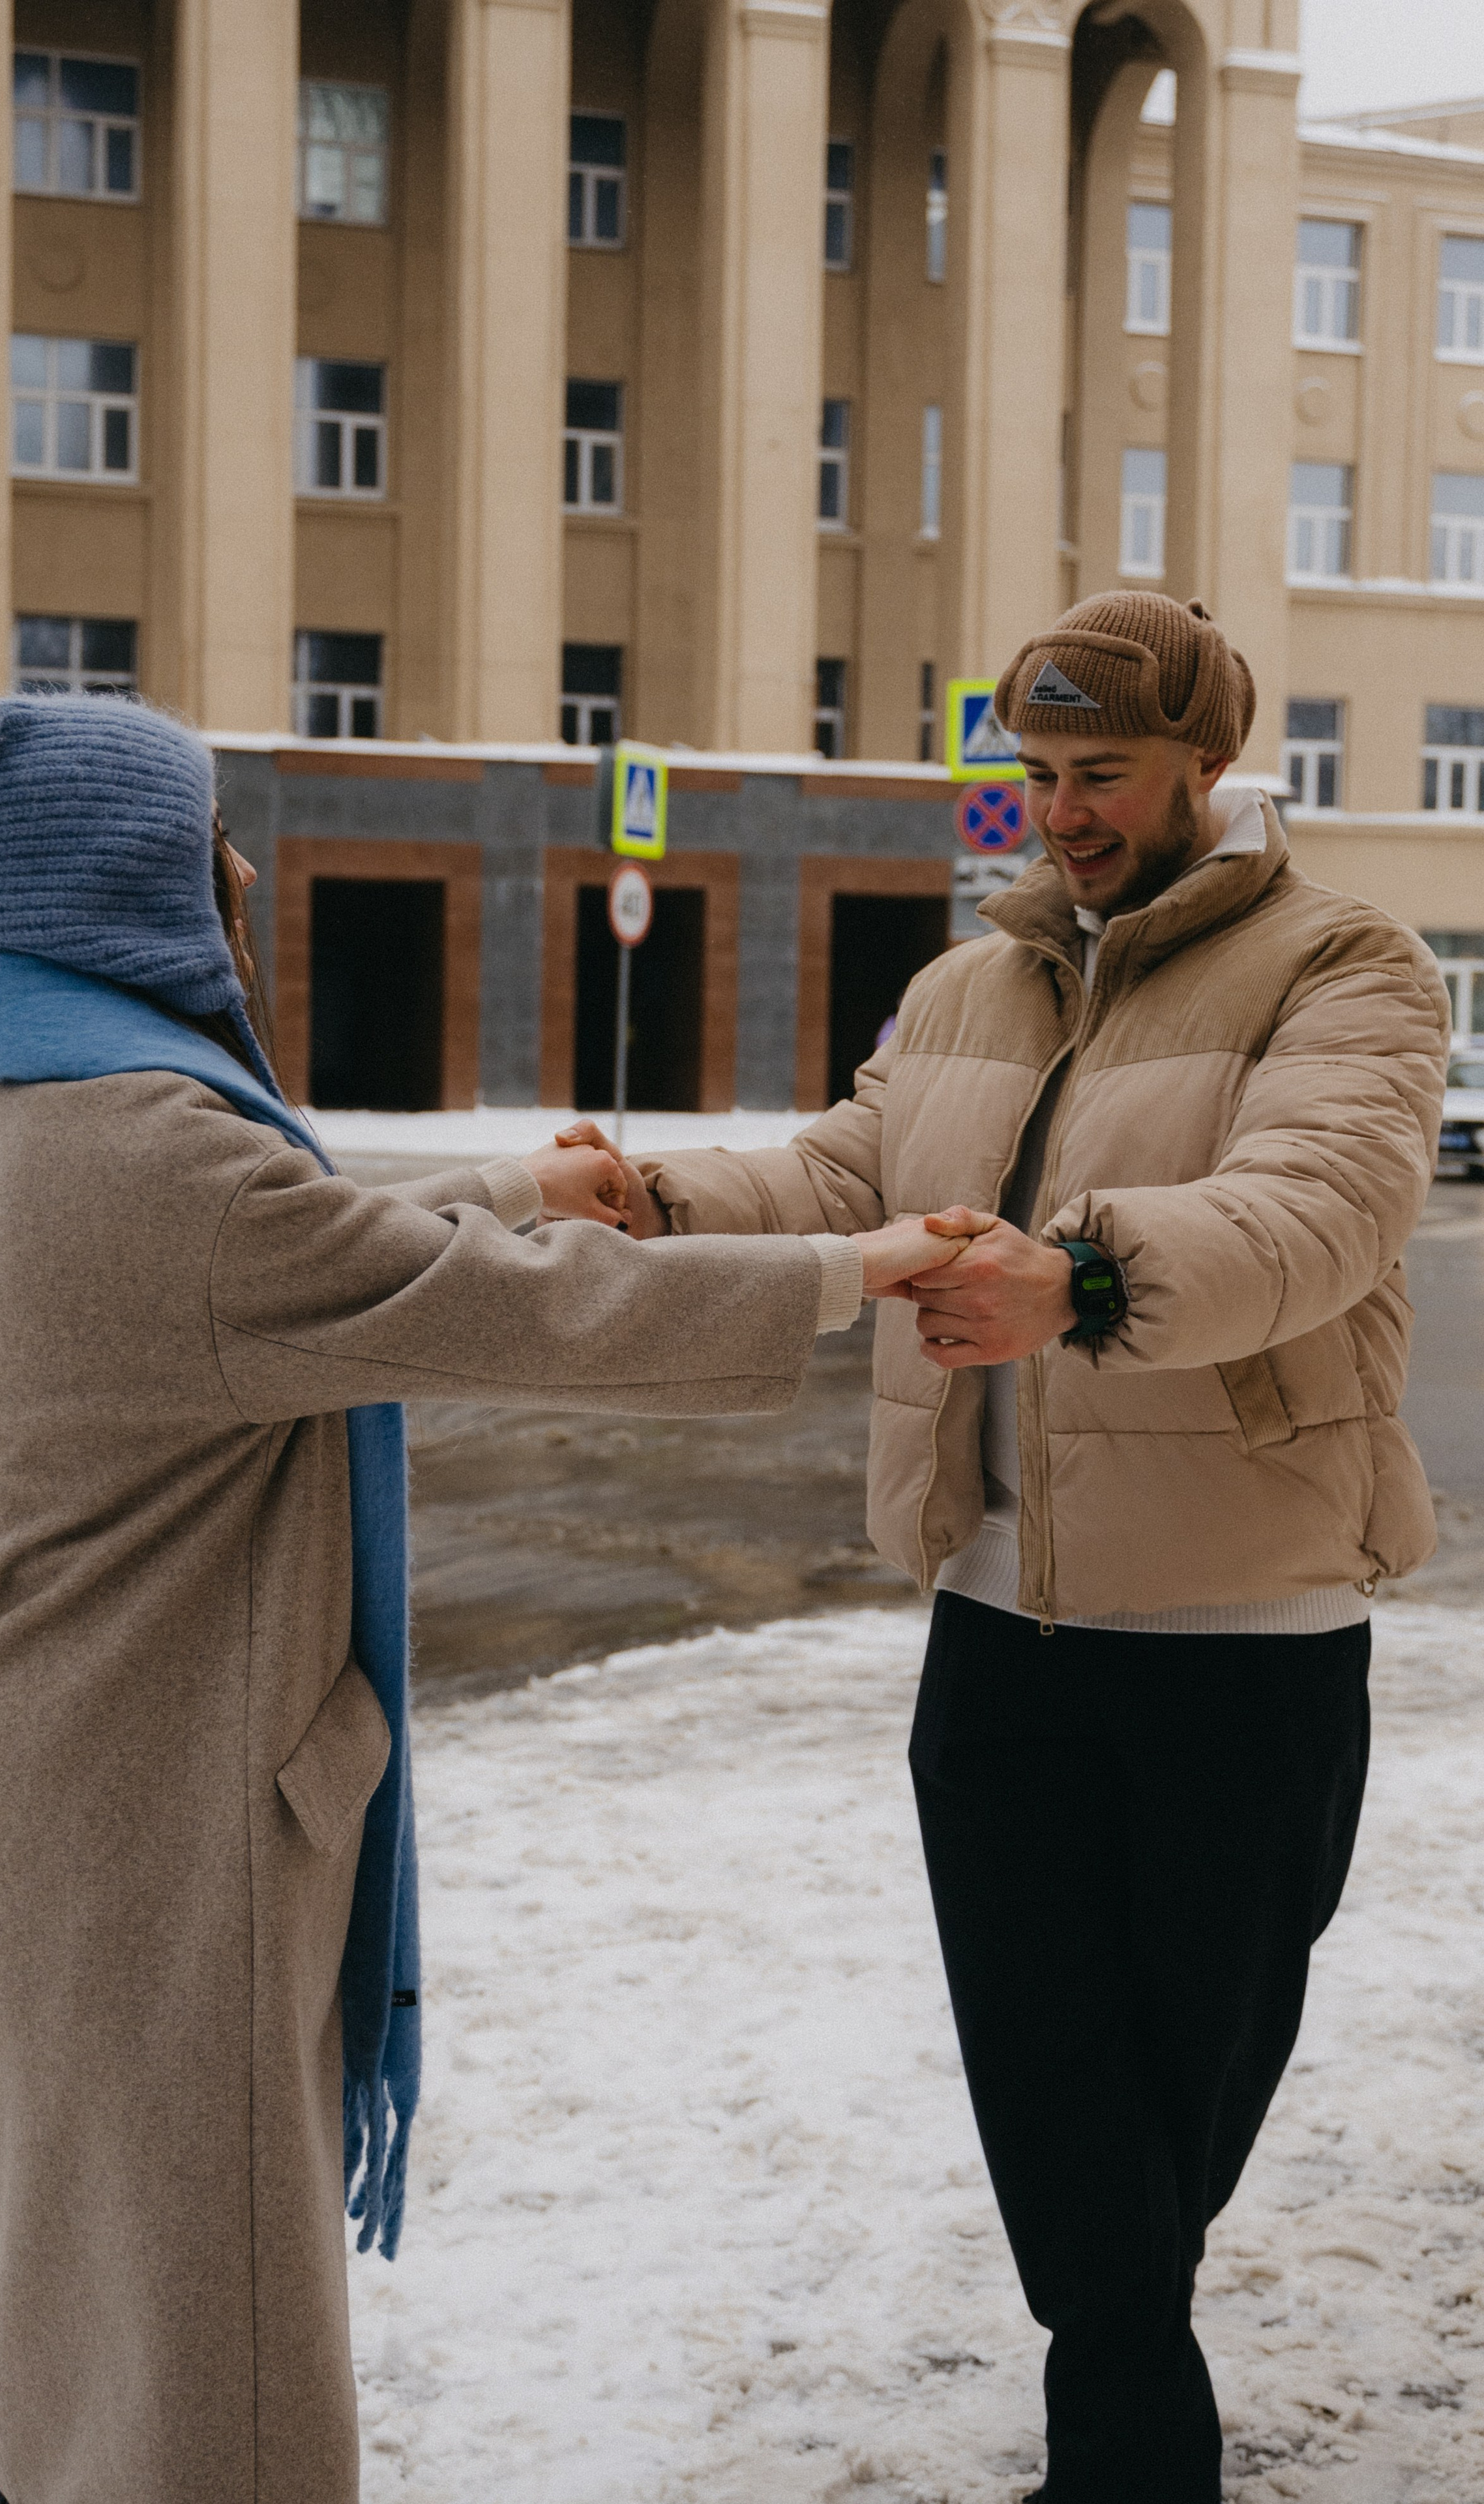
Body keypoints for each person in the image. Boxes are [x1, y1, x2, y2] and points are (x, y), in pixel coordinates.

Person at [0, 694, 961, 2504]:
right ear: (146, 889)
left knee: (92, 2280)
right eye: (204, 846)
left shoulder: (53, 1103)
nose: (239, 873)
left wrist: (521, 1178)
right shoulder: (155, 1154)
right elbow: (470, 1304)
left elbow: (302, 1263)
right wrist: (859, 1267)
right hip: (154, 1819)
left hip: (64, 1790)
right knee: (211, 2360)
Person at [569, 589, 1449, 2503]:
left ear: (1206, 767)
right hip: (996, 1619)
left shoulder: (1348, 963)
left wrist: (1092, 1274)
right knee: (1049, 2079)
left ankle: (1119, 2428)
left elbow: (1321, 1205)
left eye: (1100, 773)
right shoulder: (973, 986)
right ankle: (1134, 2460)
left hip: (1247, 1632)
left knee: (1182, 2094)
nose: (1058, 811)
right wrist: (649, 1196)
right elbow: (840, 1168)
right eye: (1037, 775)